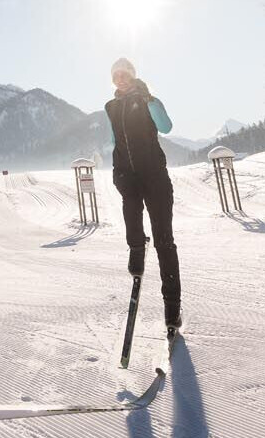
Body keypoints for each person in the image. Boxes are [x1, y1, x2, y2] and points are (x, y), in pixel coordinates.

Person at [104, 58, 182, 338]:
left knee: (164, 242)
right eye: (116, 76)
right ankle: (136, 247)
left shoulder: (149, 100)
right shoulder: (110, 107)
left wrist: (150, 100)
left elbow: (166, 127)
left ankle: (172, 309)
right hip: (129, 175)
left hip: (155, 178)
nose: (121, 79)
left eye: (125, 74)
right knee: (130, 209)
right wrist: (117, 171)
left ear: (133, 76)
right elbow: (115, 140)